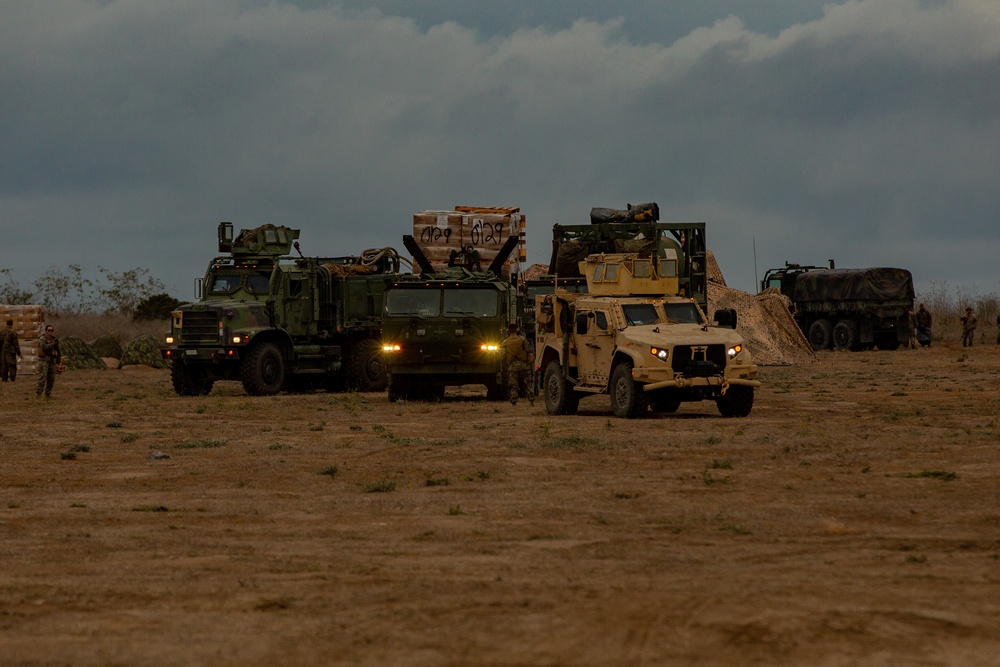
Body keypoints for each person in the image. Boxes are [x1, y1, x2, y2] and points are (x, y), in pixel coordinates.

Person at [501, 323, 534, 406]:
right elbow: (529, 349)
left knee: (513, 385)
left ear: (508, 331)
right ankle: (531, 400)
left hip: (513, 366)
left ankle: (514, 402)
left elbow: (502, 355)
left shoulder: (505, 342)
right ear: (516, 330)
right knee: (527, 383)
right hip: (524, 365)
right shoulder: (522, 339)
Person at [36, 324, 61, 398]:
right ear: (46, 331)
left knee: (51, 378)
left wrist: (58, 359)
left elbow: (57, 350)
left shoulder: (54, 339)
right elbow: (44, 347)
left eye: (52, 330)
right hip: (44, 360)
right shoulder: (42, 338)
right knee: (42, 377)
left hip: (52, 359)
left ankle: (48, 393)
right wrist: (53, 344)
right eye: (49, 330)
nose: (50, 332)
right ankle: (38, 394)